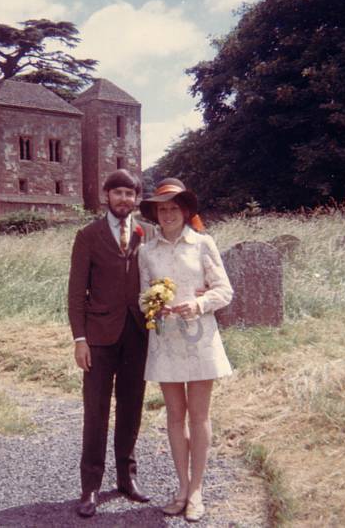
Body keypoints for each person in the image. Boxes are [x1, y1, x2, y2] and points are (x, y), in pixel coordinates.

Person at [138, 178, 233, 522]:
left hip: (200, 339)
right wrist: (153, 305)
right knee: (175, 417)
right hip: (166, 340)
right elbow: (140, 296)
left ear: (185, 210)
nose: (167, 214)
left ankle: (197, 490)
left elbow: (224, 290)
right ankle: (180, 488)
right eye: (161, 209)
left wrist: (200, 303)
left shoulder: (203, 243)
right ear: (155, 213)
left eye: (173, 208)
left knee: (199, 416)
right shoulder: (147, 251)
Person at [68, 169, 155, 518]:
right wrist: (80, 339)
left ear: (136, 198)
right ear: (107, 195)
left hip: (138, 334)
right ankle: (90, 486)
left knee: (132, 410)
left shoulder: (149, 233)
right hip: (99, 338)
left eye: (129, 194)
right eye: (117, 192)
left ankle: (126, 479)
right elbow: (76, 293)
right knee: (96, 412)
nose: (123, 199)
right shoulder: (87, 235)